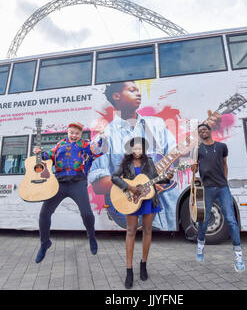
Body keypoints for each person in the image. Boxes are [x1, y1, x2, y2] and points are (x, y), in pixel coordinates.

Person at [88, 81, 180, 231]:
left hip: (169, 206)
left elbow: (177, 160)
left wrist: (198, 141)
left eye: (138, 90)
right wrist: (136, 187)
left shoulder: (156, 125)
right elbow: (98, 185)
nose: (139, 94)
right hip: (132, 207)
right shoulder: (105, 137)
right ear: (116, 96)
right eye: (132, 90)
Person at [33, 122, 106, 263]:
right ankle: (44, 243)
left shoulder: (85, 145)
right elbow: (47, 156)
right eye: (71, 132)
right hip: (59, 183)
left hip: (77, 183)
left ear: (80, 134)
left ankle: (91, 236)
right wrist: (38, 153)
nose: (74, 135)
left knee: (86, 214)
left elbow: (98, 151)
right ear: (68, 132)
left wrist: (102, 136)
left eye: (77, 133)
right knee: (44, 214)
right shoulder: (59, 145)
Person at [111, 137, 174, 289]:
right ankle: (129, 270)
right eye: (135, 149)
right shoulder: (125, 163)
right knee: (131, 231)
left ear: (143, 150)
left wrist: (166, 178)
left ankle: (143, 264)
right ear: (130, 150)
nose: (137, 152)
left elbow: (154, 181)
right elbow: (114, 178)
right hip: (131, 199)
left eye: (140, 149)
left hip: (148, 199)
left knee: (147, 231)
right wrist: (130, 187)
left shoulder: (149, 162)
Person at [191, 123, 245, 273]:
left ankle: (238, 255)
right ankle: (200, 245)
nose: (202, 132)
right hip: (206, 188)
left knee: (231, 220)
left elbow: (224, 164)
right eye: (200, 131)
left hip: (222, 188)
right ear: (199, 135)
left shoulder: (222, 146)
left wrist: (225, 180)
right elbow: (195, 168)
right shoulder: (198, 150)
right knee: (204, 219)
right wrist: (193, 169)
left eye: (204, 129)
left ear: (210, 131)